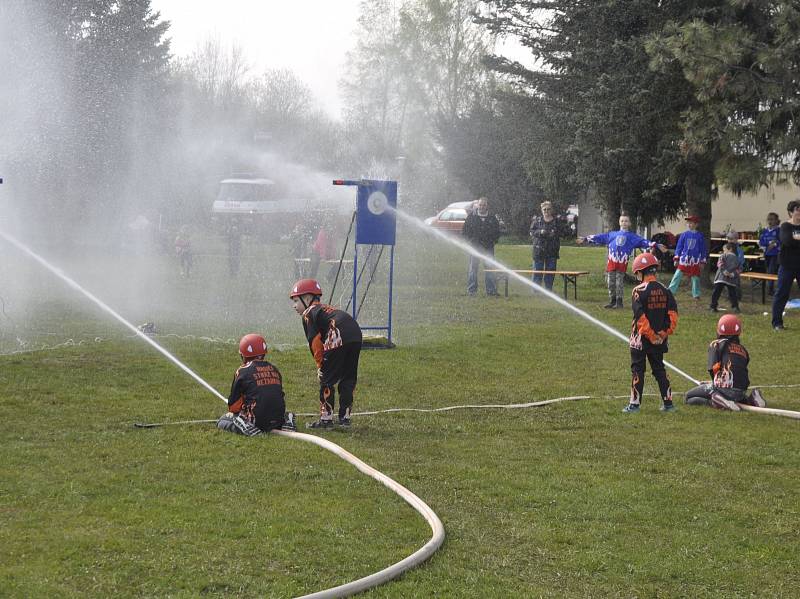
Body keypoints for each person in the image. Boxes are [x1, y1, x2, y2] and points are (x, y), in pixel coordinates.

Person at [290, 278, 363, 429]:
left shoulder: (309, 313)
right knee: (348, 377)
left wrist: (320, 366)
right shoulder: (323, 309)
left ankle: (326, 419)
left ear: (308, 298)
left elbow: (315, 342)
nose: (294, 306)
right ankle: (345, 419)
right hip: (355, 332)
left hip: (337, 332)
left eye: (296, 300)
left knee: (326, 379)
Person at [622, 252, 679, 413]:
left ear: (640, 272)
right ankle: (668, 404)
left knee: (637, 371)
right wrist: (663, 334)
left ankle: (634, 405)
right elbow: (673, 316)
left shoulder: (638, 291)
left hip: (640, 340)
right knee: (659, 369)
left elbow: (640, 317)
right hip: (660, 340)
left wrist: (651, 335)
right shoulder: (666, 290)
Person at [577, 213, 665, 309]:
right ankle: (612, 300)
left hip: (621, 264)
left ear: (629, 223)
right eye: (622, 221)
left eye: (626, 221)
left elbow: (643, 241)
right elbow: (599, 237)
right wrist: (586, 239)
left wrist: (656, 245)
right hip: (611, 263)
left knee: (619, 282)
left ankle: (619, 302)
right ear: (619, 222)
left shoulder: (632, 237)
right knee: (610, 282)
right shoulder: (612, 235)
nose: (624, 223)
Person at [217, 333, 296, 436]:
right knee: (274, 413)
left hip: (256, 420)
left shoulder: (242, 371)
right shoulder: (274, 369)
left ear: (243, 355)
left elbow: (234, 407)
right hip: (277, 418)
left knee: (223, 421)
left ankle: (244, 424)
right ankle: (287, 419)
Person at [684, 315, 767, 411]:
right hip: (741, 391)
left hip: (723, 389)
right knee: (735, 396)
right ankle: (752, 398)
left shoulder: (716, 344)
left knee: (688, 397)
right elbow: (737, 371)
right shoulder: (743, 349)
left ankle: (718, 400)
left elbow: (713, 368)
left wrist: (714, 384)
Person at [463, 197, 501, 296]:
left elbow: (497, 232)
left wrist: (492, 241)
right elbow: (465, 232)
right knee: (473, 269)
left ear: (487, 206)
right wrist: (472, 242)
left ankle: (491, 291)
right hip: (475, 248)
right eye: (480, 205)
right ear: (477, 205)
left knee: (489, 269)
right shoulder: (471, 217)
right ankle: (472, 291)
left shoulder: (492, 218)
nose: (482, 207)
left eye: (484, 205)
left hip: (488, 248)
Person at [771, 199, 800, 331]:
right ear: (791, 212)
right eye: (797, 210)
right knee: (782, 293)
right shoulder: (785, 226)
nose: (799, 212)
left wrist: (796, 239)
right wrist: (794, 240)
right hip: (787, 264)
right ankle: (777, 323)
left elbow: (793, 241)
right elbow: (787, 241)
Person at [529, 200, 568, 290]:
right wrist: (540, 232)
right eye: (544, 209)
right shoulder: (537, 221)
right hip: (539, 250)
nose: (546, 211)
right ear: (542, 210)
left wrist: (554, 233)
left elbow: (564, 232)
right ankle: (535, 291)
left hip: (552, 250)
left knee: (550, 272)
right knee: (537, 271)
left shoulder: (557, 221)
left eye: (548, 209)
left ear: (552, 210)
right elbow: (532, 232)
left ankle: (548, 290)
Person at [668, 215, 707, 300]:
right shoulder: (684, 235)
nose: (689, 224)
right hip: (684, 260)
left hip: (695, 260)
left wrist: (702, 261)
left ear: (696, 224)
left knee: (695, 278)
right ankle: (670, 291)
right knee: (677, 275)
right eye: (688, 223)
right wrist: (677, 258)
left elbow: (703, 249)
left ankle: (696, 294)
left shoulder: (700, 236)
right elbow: (679, 247)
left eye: (691, 223)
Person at [710, 243, 741, 313]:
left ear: (730, 249)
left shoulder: (723, 256)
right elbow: (739, 269)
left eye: (724, 249)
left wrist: (724, 272)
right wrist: (732, 274)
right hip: (731, 279)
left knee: (716, 292)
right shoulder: (737, 258)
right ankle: (735, 307)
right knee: (732, 293)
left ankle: (713, 306)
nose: (724, 251)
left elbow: (720, 264)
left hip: (721, 277)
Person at [758, 212, 781, 295]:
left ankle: (770, 289)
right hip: (767, 254)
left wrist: (775, 244)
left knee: (771, 271)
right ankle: (770, 288)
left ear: (776, 221)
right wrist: (766, 246)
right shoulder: (764, 230)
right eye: (768, 219)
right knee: (768, 271)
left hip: (775, 255)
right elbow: (761, 241)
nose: (770, 221)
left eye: (772, 219)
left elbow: (781, 241)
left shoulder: (779, 230)